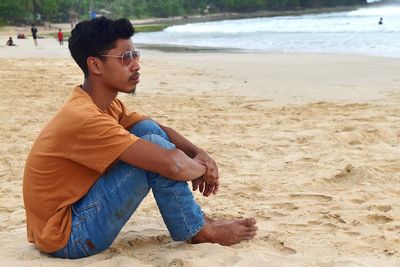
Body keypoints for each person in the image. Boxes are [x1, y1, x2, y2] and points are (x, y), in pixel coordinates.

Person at [23, 17, 258, 259]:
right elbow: (172, 165)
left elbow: (156, 128)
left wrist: (200, 154)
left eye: (135, 54)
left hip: (69, 218)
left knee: (147, 131)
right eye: (125, 58)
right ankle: (200, 230)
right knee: (158, 154)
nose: (136, 65)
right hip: (68, 236)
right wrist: (203, 170)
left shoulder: (103, 105)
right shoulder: (84, 117)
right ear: (95, 66)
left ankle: (199, 222)